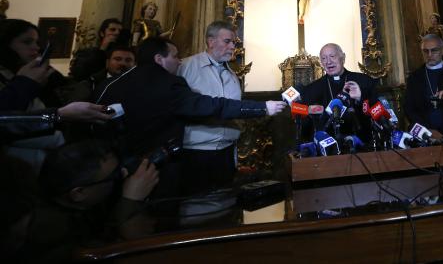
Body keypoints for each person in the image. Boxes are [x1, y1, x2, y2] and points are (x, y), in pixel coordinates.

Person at [97, 37, 286, 193]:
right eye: (175, 56)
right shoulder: (169, 83)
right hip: (153, 170)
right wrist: (262, 107)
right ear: (159, 59)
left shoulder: (110, 84)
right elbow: (212, 106)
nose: (179, 61)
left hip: (107, 169)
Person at [25, 140, 159, 262]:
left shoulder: (65, 202)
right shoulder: (53, 233)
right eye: (115, 175)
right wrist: (131, 200)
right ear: (79, 193)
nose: (124, 174)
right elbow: (134, 254)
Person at [177, 20, 243, 191]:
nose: (232, 47)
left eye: (234, 42)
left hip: (226, 152)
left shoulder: (232, 75)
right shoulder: (185, 67)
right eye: (227, 41)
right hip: (195, 153)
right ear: (211, 41)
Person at [0, 19, 67, 171]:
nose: (36, 47)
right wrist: (25, 83)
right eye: (27, 42)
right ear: (5, 44)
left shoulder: (31, 71)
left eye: (37, 42)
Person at [300, 43, 376, 143]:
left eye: (332, 56)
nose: (328, 62)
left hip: (361, 142)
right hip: (328, 145)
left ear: (343, 57)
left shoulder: (364, 81)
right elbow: (306, 124)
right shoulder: (312, 89)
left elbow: (376, 109)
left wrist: (360, 98)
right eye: (324, 58)